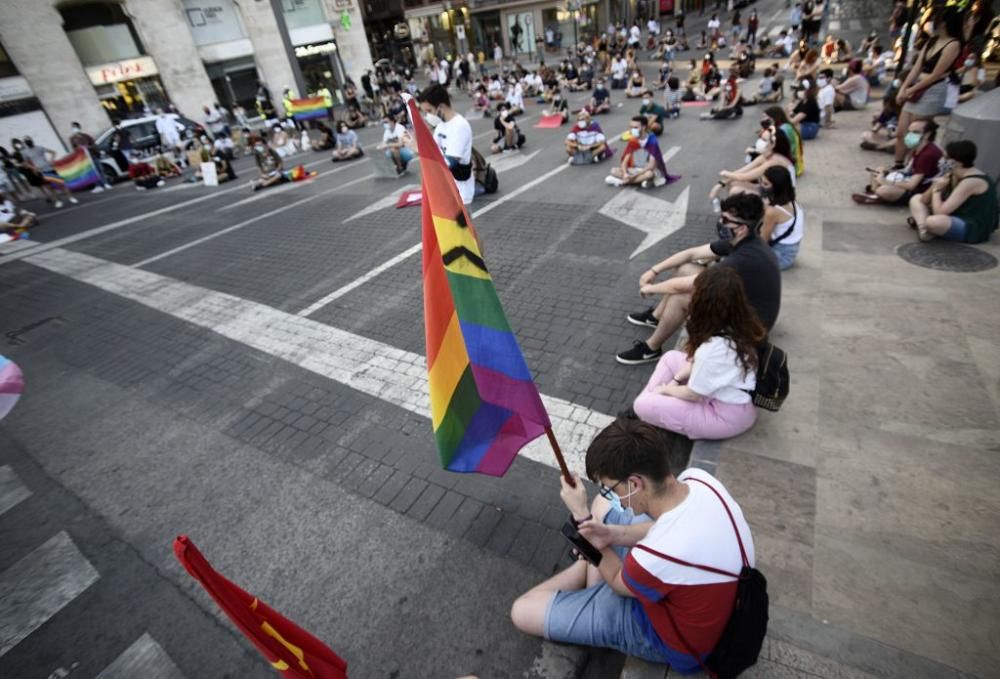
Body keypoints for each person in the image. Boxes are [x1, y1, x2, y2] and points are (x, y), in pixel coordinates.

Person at [510, 417, 755, 671]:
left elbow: (617, 580)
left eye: (611, 488)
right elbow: (658, 528)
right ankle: (591, 572)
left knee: (522, 611)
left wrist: (582, 518)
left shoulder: (655, 555)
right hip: (717, 606)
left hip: (668, 640)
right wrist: (613, 534)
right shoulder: (700, 481)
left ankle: (589, 575)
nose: (615, 497)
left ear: (636, 483)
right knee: (604, 509)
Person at [616, 193, 780, 365]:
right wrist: (653, 271)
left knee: (681, 298)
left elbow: (686, 285)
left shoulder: (743, 258)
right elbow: (691, 253)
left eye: (725, 219)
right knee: (686, 268)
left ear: (741, 228)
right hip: (747, 306)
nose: (720, 222)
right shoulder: (744, 240)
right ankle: (656, 317)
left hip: (752, 328)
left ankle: (651, 349)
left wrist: (650, 288)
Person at [633, 266, 764, 440]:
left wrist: (666, 390)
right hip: (733, 399)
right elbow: (695, 362)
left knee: (640, 405)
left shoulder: (713, 349)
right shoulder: (741, 322)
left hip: (724, 417)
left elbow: (693, 394)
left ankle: (649, 404)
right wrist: (675, 381)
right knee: (670, 357)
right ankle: (653, 401)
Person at [894, 7, 963, 169]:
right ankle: (898, 165)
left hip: (932, 91)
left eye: (935, 19)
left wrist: (909, 91)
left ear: (945, 23)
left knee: (916, 136)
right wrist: (903, 88)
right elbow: (916, 68)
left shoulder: (953, 45)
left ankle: (912, 169)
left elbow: (936, 75)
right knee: (901, 132)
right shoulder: (931, 41)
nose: (931, 23)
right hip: (916, 88)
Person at [909, 140, 997, 244]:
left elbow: (940, 212)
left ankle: (925, 226)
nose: (941, 160)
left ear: (958, 162)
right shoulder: (953, 173)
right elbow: (924, 199)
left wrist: (937, 190)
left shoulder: (971, 181)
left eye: (946, 158)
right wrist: (936, 184)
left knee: (933, 222)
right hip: (954, 215)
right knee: (916, 199)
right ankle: (924, 231)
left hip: (973, 226)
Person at [852, 119, 941, 206]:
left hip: (919, 191)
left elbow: (911, 186)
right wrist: (888, 173)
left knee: (884, 190)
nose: (910, 135)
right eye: (909, 131)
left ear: (927, 135)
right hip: (908, 178)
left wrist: (885, 181)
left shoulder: (927, 154)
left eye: (915, 132)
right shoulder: (920, 147)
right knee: (879, 170)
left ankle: (877, 194)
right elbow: (909, 171)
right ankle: (875, 194)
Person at [419, 84, 475, 206]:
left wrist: (418, 148)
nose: (428, 116)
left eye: (429, 111)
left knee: (462, 225)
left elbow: (450, 163)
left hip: (460, 192)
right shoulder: (441, 126)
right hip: (446, 189)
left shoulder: (459, 126)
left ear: (441, 107)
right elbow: (433, 150)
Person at [605, 117, 678, 190]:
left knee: (649, 174)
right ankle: (641, 181)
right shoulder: (633, 140)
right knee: (613, 170)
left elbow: (651, 166)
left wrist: (634, 176)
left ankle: (622, 182)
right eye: (630, 127)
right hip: (635, 169)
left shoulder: (652, 141)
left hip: (647, 170)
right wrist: (625, 174)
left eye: (635, 127)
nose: (632, 130)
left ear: (643, 127)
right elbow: (624, 162)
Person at [759, 165, 804, 270]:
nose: (761, 186)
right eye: (761, 181)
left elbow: (762, 240)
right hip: (790, 252)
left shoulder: (772, 211)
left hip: (780, 256)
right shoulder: (791, 200)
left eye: (765, 184)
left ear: (776, 187)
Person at [19, 136, 77, 206]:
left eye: (29, 141)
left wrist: (51, 160)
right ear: (25, 143)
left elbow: (53, 152)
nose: (29, 142)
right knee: (49, 187)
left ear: (32, 141)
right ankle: (58, 201)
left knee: (60, 184)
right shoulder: (25, 152)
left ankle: (71, 197)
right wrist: (33, 168)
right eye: (27, 142)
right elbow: (25, 163)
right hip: (40, 172)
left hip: (49, 169)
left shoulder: (39, 148)